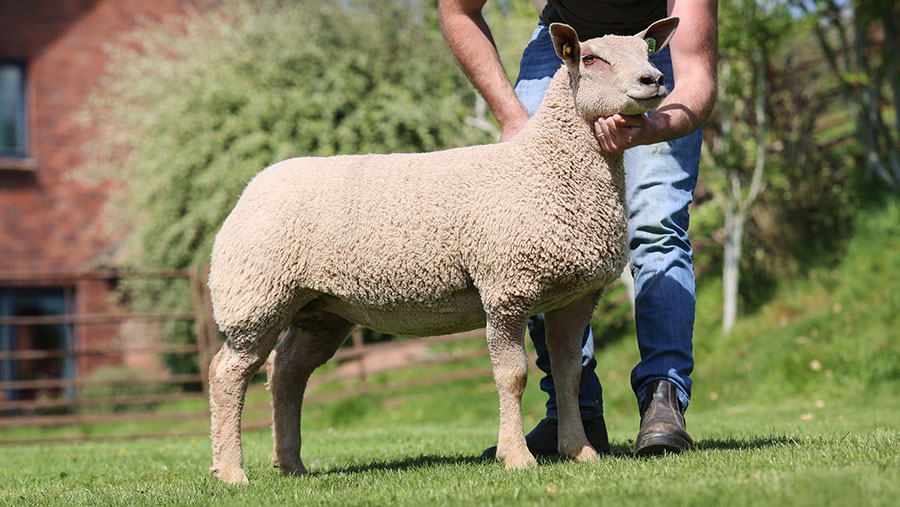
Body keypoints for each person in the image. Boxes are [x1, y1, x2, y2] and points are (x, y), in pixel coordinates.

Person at [438, 0, 718, 456]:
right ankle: (574, 415)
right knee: (536, 236)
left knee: (656, 223)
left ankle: (663, 402)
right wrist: (512, 117)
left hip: (649, 54)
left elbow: (698, 75)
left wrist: (648, 130)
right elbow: (457, 10)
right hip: (563, 53)